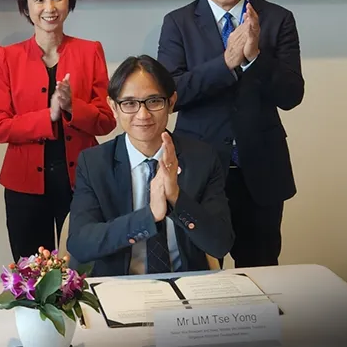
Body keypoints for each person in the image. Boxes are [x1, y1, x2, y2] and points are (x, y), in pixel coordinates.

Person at [157, 0, 304, 267]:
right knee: (199, 272)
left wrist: (255, 58)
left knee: (261, 272)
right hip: (197, 169)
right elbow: (171, 93)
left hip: (260, 170)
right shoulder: (178, 22)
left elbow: (291, 95)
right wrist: (226, 63)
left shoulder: (278, 19)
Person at [0, 0, 116, 262]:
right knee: (32, 270)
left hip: (82, 179)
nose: (50, 7)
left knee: (84, 264)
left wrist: (72, 107)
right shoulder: (8, 57)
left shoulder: (90, 50)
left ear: (69, 1)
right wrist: (50, 115)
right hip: (24, 185)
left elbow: (106, 121)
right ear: (26, 7)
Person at [67, 56, 234, 275]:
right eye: (129, 103)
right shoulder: (94, 163)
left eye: (154, 101)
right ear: (113, 107)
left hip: (185, 283)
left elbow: (220, 243)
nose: (143, 115)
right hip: (120, 288)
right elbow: (80, 244)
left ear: (171, 102)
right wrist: (149, 216)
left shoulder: (201, 158)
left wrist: (176, 197)